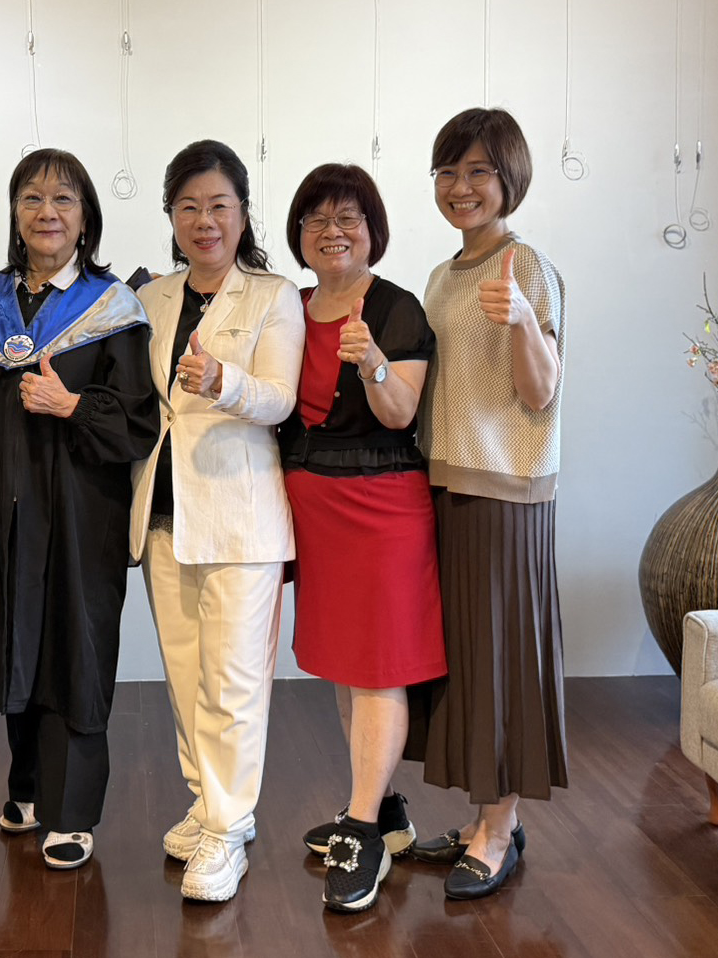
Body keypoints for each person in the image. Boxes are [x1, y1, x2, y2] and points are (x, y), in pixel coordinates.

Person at [0, 148, 158, 870]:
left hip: (80, 513)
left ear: (86, 218)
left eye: (64, 199)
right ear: (14, 214)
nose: (47, 212)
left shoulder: (112, 310)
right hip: (3, 512)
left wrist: (71, 406)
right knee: (16, 640)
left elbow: (138, 421)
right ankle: (28, 787)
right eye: (32, 199)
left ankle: (71, 812)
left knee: (74, 649)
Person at [129, 139, 304, 901]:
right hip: (165, 514)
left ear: (242, 214)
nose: (205, 221)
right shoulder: (152, 299)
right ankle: (209, 806)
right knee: (186, 675)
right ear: (171, 216)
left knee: (233, 682)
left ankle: (228, 829)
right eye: (189, 207)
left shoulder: (273, 295)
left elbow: (280, 399)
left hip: (240, 518)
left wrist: (224, 380)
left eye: (219, 206)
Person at [407, 107, 567, 900]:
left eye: (477, 171)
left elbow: (541, 394)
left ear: (510, 179)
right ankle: (484, 816)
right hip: (444, 485)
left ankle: (499, 829)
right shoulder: (442, 277)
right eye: (448, 171)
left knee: (501, 660)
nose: (460, 187)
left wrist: (526, 323)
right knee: (468, 663)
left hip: (504, 490)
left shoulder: (524, 264)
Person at [278, 164, 447, 913]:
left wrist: (374, 362)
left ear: (373, 230)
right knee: (348, 668)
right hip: (314, 510)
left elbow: (400, 414)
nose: (332, 232)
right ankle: (380, 810)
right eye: (316, 219)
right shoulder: (289, 307)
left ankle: (362, 830)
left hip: (382, 508)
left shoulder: (397, 308)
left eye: (348, 218)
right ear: (299, 235)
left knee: (378, 670)